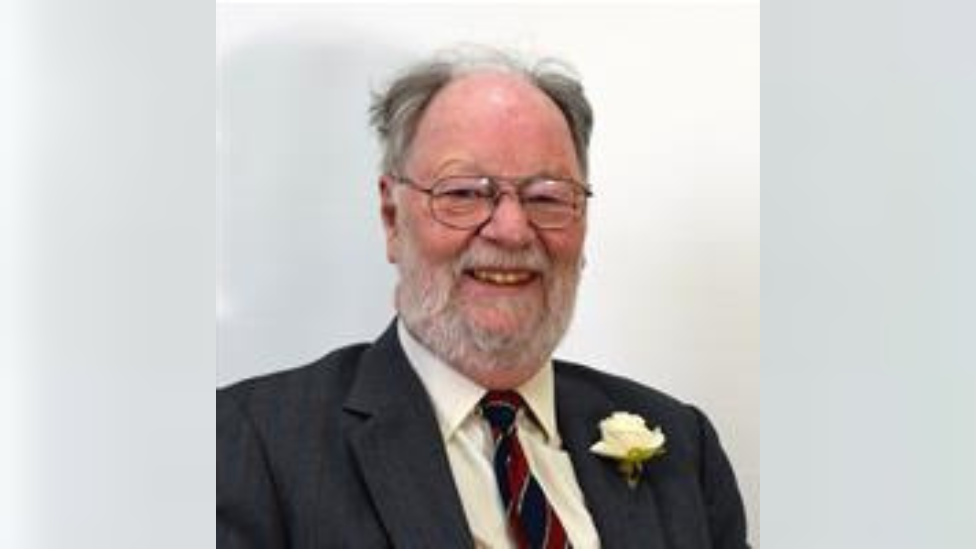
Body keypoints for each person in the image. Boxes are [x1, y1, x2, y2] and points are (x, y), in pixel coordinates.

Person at [218, 46, 749, 549]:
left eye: (547, 197)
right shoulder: (251, 442)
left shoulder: (683, 445)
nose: (512, 230)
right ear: (391, 217)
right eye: (464, 193)